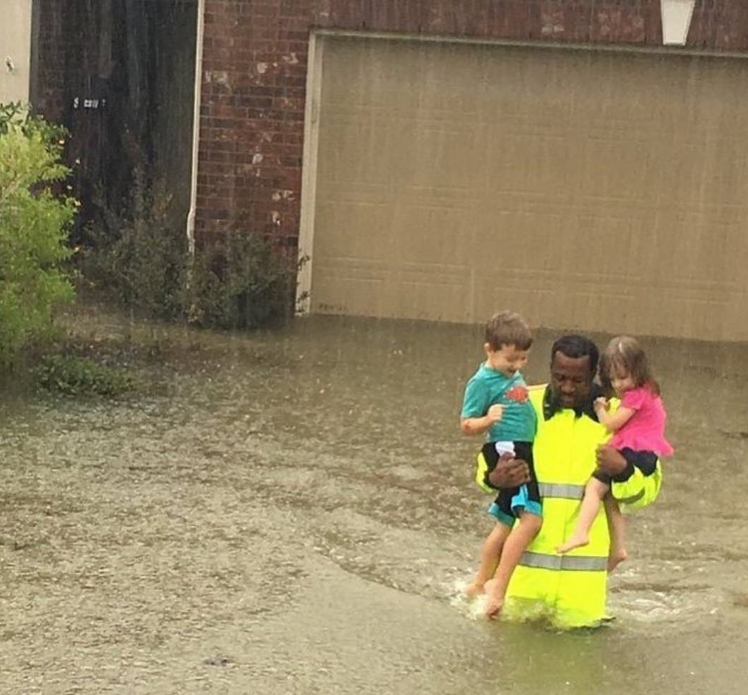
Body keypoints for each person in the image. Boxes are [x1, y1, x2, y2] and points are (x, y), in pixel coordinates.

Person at [486, 335, 662, 627]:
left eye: (578, 380)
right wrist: (492, 476)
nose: (567, 387)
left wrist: (623, 471)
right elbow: (486, 459)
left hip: (581, 603)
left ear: (594, 375)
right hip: (520, 594)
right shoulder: (521, 402)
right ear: (550, 369)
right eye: (560, 377)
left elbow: (648, 489)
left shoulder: (622, 414)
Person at [557, 336, 673, 566]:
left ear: (638, 370)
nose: (618, 385)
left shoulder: (636, 396)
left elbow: (611, 424)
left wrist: (600, 408)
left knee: (593, 487)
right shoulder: (649, 390)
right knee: (609, 496)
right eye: (612, 379)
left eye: (622, 377)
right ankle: (618, 547)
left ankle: (581, 532)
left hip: (636, 451)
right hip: (644, 449)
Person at [460, 311, 540, 617]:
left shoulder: (508, 375)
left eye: (523, 359)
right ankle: (498, 585)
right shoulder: (481, 381)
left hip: (520, 446)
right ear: (489, 350)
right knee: (531, 519)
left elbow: (518, 394)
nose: (517, 366)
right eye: (511, 360)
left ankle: (479, 582)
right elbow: (465, 424)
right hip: (508, 451)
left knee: (505, 521)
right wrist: (487, 420)